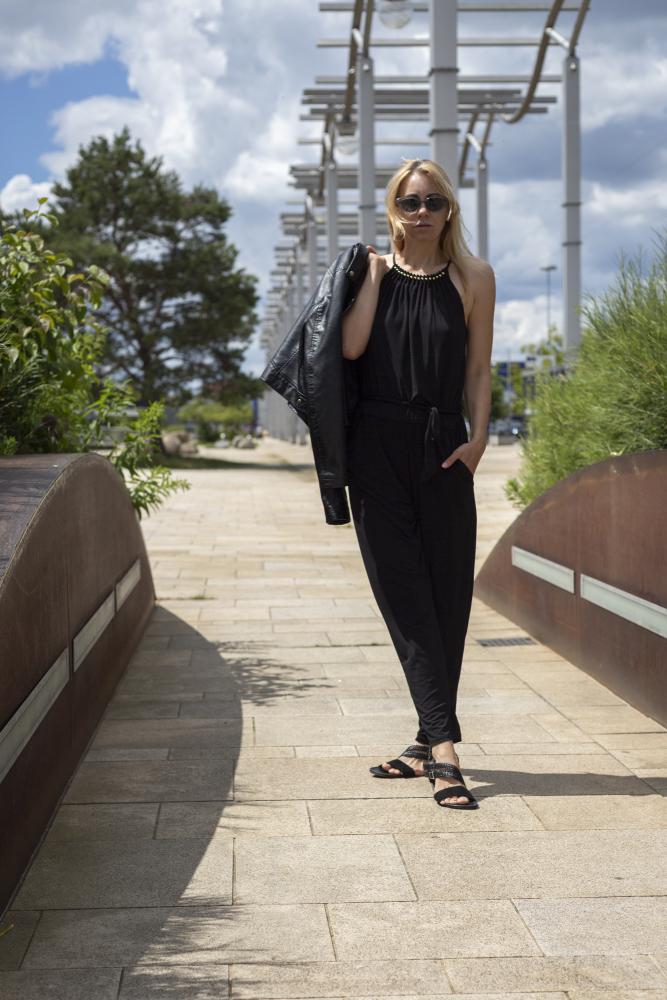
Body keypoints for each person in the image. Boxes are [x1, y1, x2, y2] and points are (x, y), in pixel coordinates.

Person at [342, 158, 495, 809]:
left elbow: (479, 370)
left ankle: (422, 741)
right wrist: (375, 277)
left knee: (445, 598)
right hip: (374, 449)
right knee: (404, 599)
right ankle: (445, 754)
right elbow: (349, 349)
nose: (423, 212)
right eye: (410, 202)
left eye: (434, 201)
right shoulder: (369, 272)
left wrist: (478, 439)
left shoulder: (472, 277)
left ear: (449, 209)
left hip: (442, 450)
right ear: (393, 209)